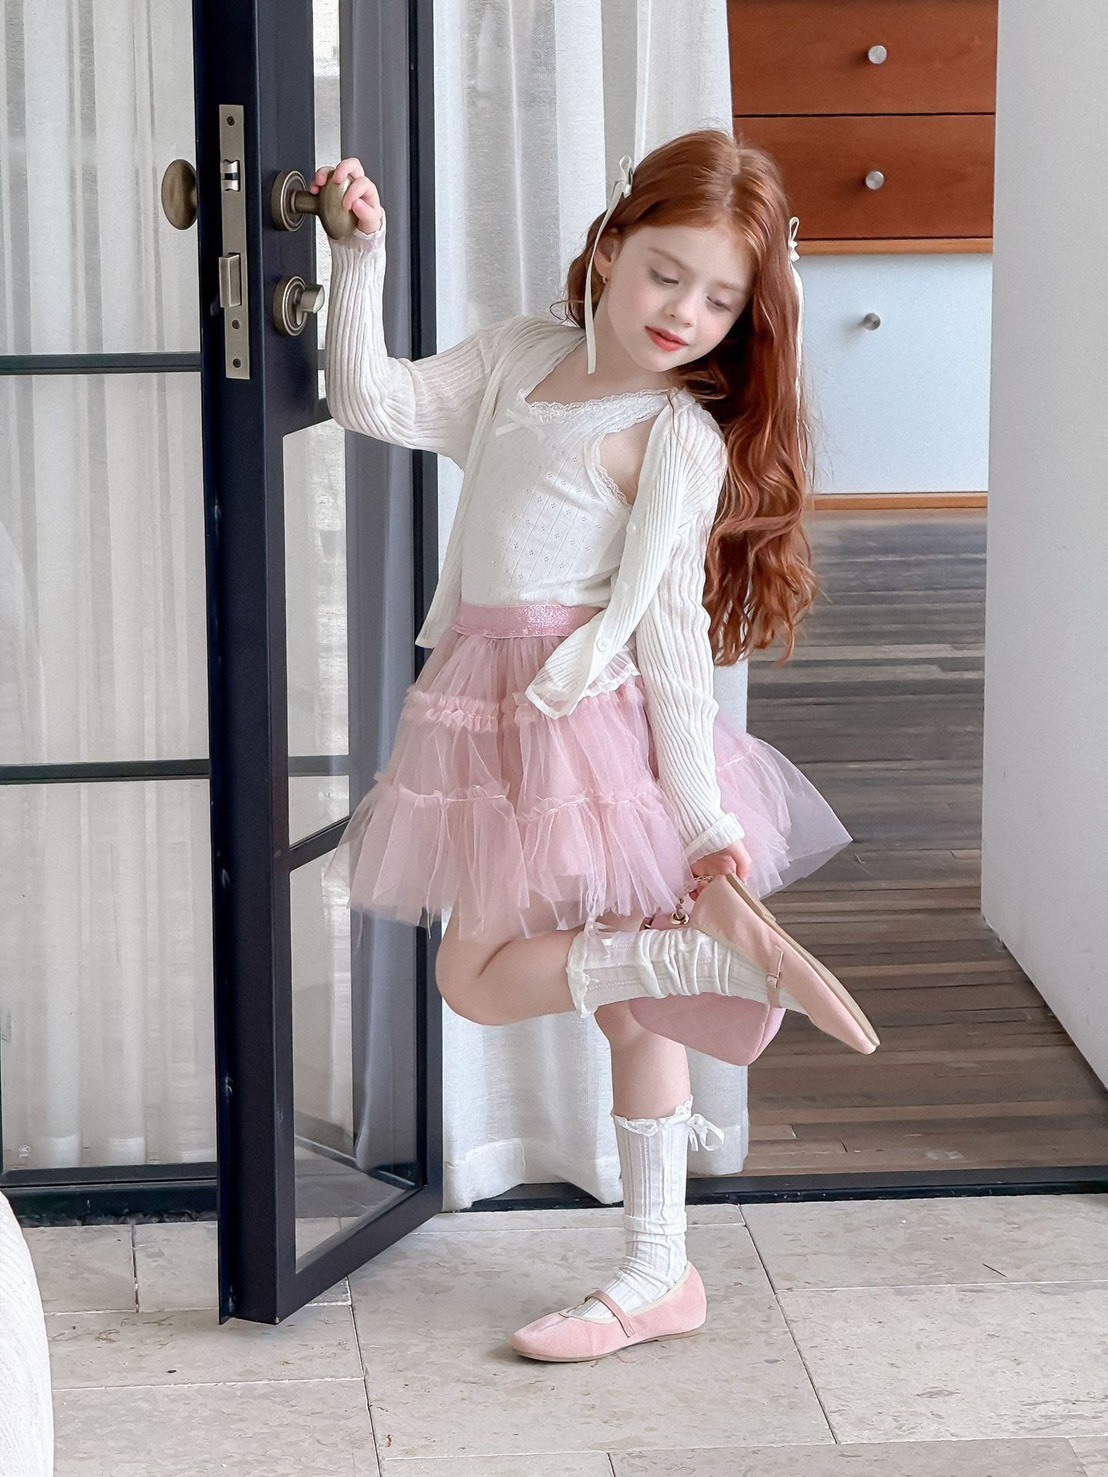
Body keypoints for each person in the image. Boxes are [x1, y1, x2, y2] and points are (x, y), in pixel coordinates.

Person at [310, 128, 853, 1361]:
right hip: (485, 719)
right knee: (612, 1004)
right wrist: (358, 259)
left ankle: (658, 1257)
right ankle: (662, 1271)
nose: (684, 313)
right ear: (610, 245)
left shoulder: (674, 435)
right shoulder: (519, 357)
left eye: (719, 301)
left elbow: (671, 636)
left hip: (588, 735)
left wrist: (705, 825)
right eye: (666, 273)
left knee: (484, 981)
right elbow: (369, 399)